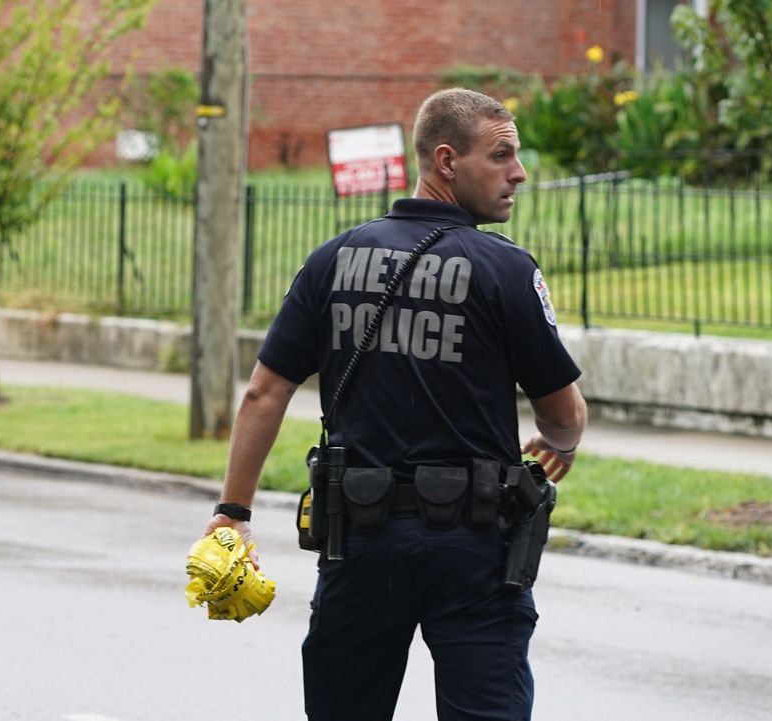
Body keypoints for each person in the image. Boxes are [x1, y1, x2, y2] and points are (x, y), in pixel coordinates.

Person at [202, 87, 587, 721]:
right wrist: (563, 445)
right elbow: (563, 413)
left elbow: (265, 391)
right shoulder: (505, 270)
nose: (518, 172)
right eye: (502, 156)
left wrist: (233, 512)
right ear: (446, 161)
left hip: (360, 538)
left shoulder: (333, 260)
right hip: (473, 549)